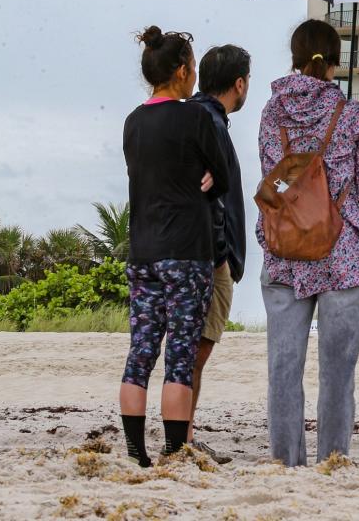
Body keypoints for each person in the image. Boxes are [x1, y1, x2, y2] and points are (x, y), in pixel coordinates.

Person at [258, 19, 359, 467]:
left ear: (294, 56)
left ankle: (287, 461)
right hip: (341, 253)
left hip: (285, 250)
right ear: (333, 62)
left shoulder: (272, 110)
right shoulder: (351, 114)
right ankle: (333, 460)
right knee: (337, 372)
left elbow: (273, 180)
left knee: (283, 367)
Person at [120, 26, 230, 467]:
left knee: (141, 350)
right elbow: (221, 176)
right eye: (194, 68)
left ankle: (134, 450)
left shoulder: (133, 121)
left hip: (142, 250)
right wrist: (207, 178)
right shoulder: (195, 117)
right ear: (182, 71)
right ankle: (173, 449)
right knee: (180, 354)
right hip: (186, 250)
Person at [185, 44, 251, 464]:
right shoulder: (209, 121)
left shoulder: (201, 117)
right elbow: (212, 198)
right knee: (198, 349)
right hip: (211, 256)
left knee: (195, 349)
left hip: (201, 252)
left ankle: (185, 433)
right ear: (239, 84)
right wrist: (222, 256)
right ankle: (184, 436)